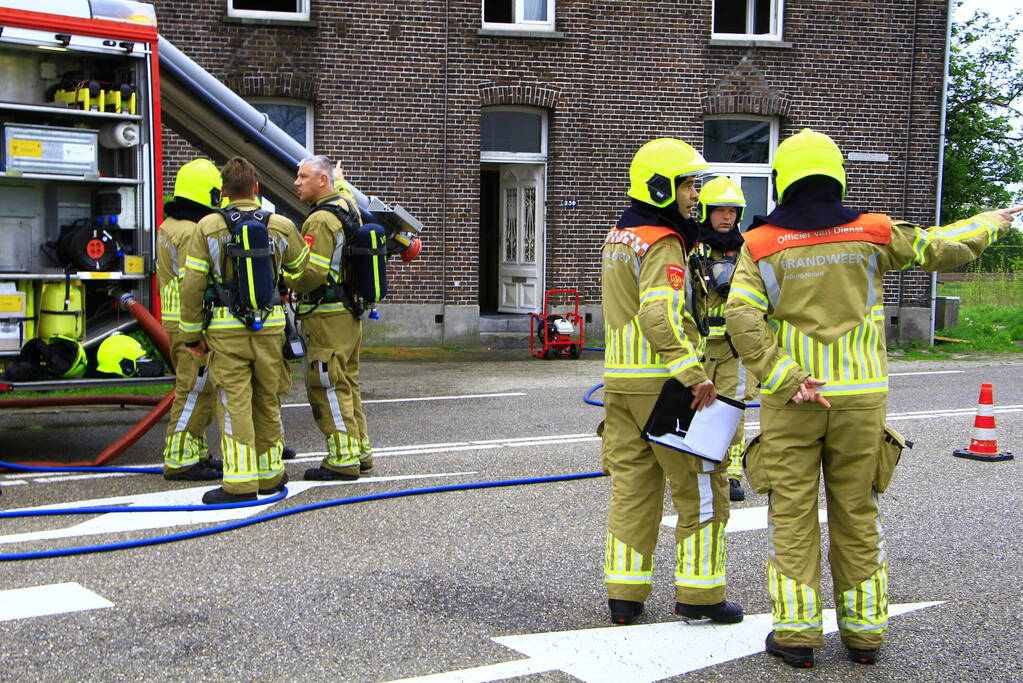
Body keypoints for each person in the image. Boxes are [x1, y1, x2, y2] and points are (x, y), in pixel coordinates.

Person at [725, 128, 1023, 668]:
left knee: (792, 515)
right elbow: (943, 246)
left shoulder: (760, 244)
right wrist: (992, 223)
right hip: (860, 400)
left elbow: (741, 316)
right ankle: (865, 636)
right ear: (836, 173)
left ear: (782, 180)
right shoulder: (874, 232)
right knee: (857, 512)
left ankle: (796, 637)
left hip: (793, 399)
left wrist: (786, 375)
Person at [600, 138, 743, 627]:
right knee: (702, 486)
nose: (694, 196)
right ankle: (701, 597)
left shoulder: (621, 234)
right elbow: (658, 313)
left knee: (633, 490)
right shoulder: (663, 241)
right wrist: (692, 373)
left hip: (621, 383)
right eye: (687, 185)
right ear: (661, 186)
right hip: (665, 383)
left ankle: (624, 596)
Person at [178, 156, 309, 504]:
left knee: (233, 400)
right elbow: (302, 269)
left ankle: (238, 482)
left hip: (225, 331)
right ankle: (270, 476)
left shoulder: (206, 226)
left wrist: (192, 335)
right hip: (271, 327)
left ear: (223, 192)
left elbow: (191, 284)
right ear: (256, 189)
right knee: (268, 397)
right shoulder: (280, 224)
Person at [286, 156, 368, 481]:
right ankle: (360, 452)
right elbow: (343, 193)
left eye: (303, 176)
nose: (296, 182)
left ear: (321, 182)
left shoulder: (319, 220)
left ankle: (342, 459)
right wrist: (340, 179)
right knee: (347, 383)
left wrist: (285, 275)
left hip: (326, 316)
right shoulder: (348, 206)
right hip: (349, 314)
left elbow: (312, 274)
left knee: (327, 384)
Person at [156, 159, 222, 481]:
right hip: (190, 324)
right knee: (194, 390)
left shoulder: (169, 226)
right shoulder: (192, 232)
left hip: (174, 321)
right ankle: (181, 457)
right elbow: (194, 283)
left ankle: (195, 452)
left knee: (198, 389)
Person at [693, 176, 757, 502]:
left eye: (732, 211)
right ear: (706, 211)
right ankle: (695, 464)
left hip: (733, 348)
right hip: (698, 347)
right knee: (694, 407)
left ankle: (731, 473)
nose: (726, 217)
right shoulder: (691, 248)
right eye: (719, 210)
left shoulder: (747, 249)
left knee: (732, 409)